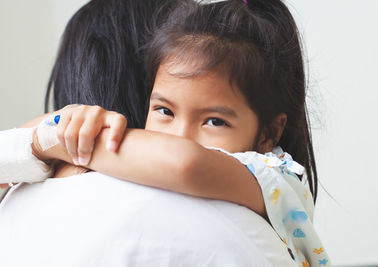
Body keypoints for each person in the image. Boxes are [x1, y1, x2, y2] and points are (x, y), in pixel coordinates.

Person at [25, 0, 330, 265]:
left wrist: (69, 142)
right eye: (165, 111)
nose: (178, 136)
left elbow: (185, 162)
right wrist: (57, 127)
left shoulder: (275, 174)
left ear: (268, 134)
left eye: (214, 121)